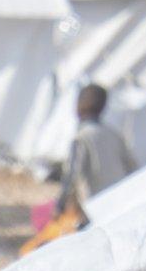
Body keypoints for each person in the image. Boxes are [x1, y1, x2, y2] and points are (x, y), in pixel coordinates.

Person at [57, 83, 139, 212]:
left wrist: (60, 204)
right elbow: (132, 168)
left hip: (95, 205)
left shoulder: (81, 138)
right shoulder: (114, 135)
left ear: (78, 106)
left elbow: (71, 175)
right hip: (120, 202)